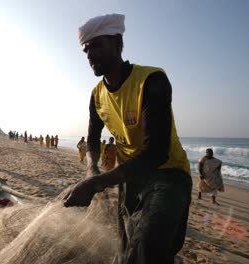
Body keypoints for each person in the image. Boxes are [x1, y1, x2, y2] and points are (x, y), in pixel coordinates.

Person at [64, 14, 192, 264]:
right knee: (127, 245)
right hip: (131, 178)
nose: (89, 54)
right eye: (85, 49)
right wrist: (92, 168)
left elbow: (156, 152)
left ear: (118, 43)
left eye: (96, 45)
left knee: (148, 243)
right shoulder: (97, 95)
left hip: (169, 174)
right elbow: (92, 138)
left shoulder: (151, 80)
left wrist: (96, 183)